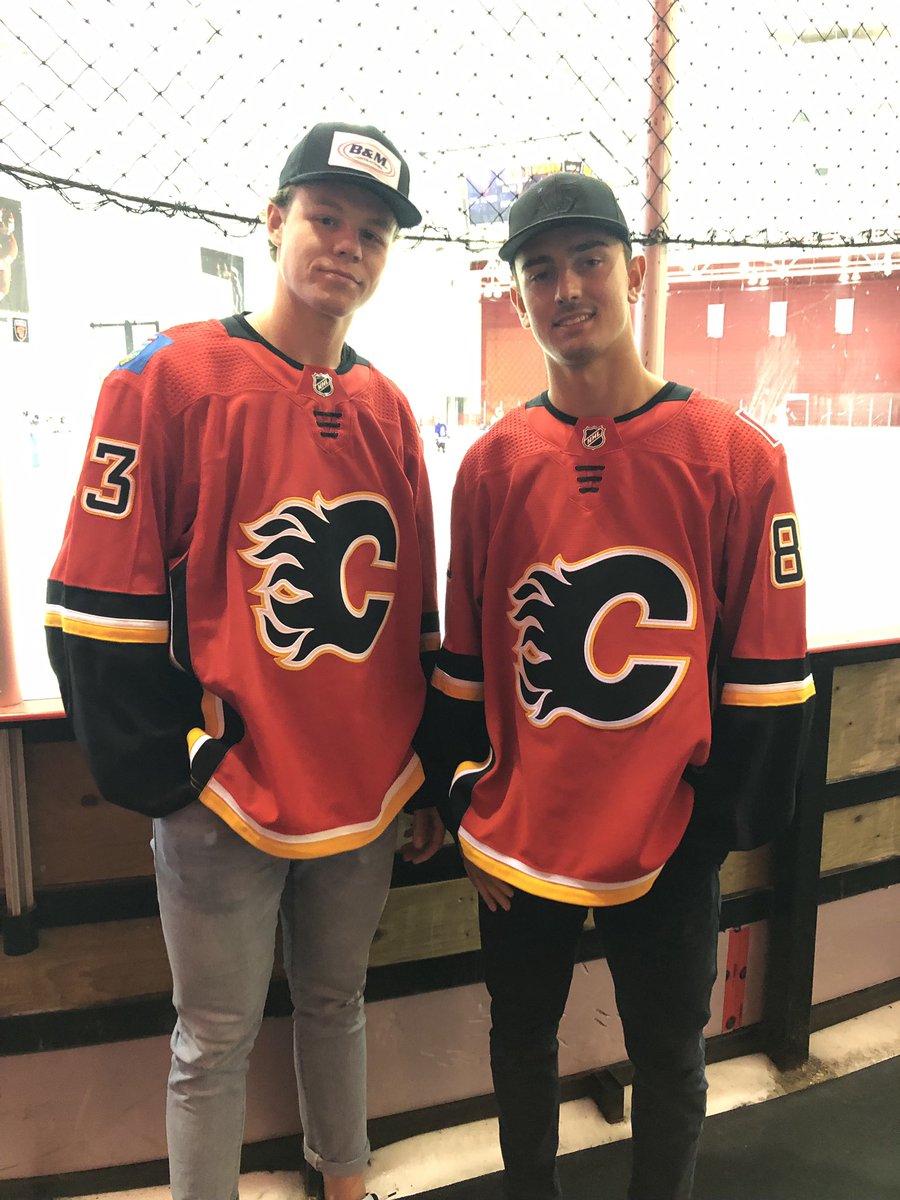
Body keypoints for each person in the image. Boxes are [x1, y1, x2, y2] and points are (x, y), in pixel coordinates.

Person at [46, 120, 444, 1200]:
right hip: (226, 791)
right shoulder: (165, 379)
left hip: (362, 790)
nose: (346, 246)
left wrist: (420, 768)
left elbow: (414, 612)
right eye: (325, 217)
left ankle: (346, 1180)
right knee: (212, 1037)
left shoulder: (389, 409)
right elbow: (93, 599)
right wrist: (173, 767)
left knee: (337, 1001)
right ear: (274, 222)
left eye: (371, 232)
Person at [425, 171, 814, 1200]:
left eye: (589, 261)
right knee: (520, 1041)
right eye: (540, 270)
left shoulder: (736, 456)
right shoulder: (492, 465)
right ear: (518, 297)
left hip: (666, 831)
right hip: (521, 834)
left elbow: (769, 673)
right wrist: (464, 801)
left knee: (670, 1055)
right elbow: (465, 661)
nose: (567, 288)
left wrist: (706, 825)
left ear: (633, 273)